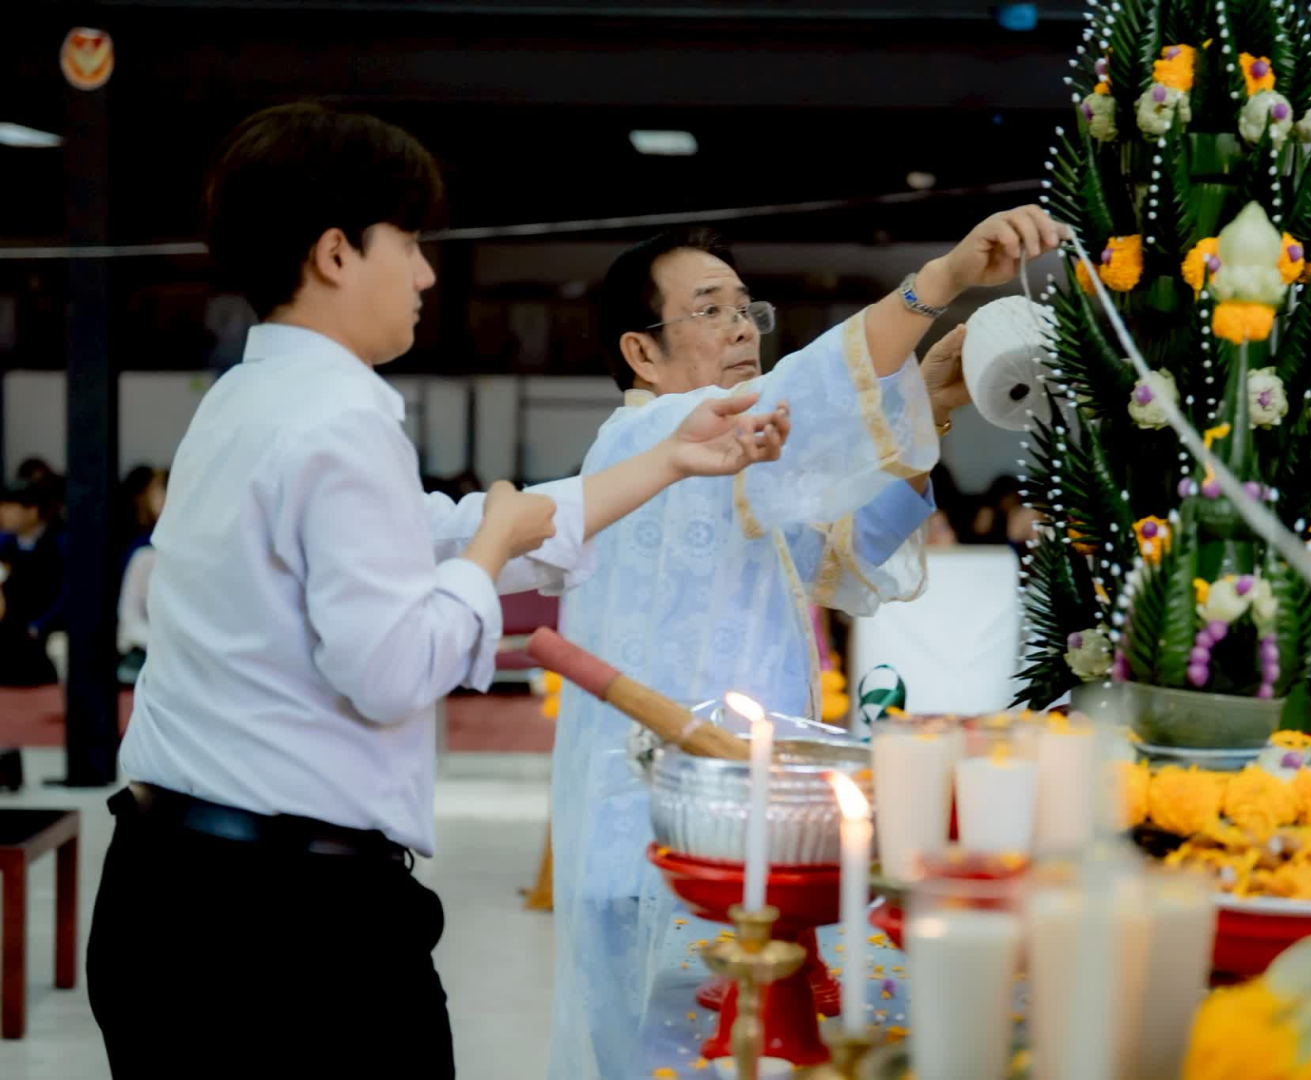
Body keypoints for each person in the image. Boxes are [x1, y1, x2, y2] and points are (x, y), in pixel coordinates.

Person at [85, 102, 790, 1080]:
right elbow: (392, 667)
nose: (425, 274)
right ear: (337, 253)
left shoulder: (248, 397)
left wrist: (669, 459)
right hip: (284, 927)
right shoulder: (338, 418)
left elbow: (440, 531)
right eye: (410, 242)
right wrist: (489, 547)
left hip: (177, 885)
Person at [550, 208, 1066, 1077]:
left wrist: (928, 405)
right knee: (667, 1055)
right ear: (641, 352)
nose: (741, 328)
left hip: (732, 825)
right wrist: (936, 283)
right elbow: (809, 394)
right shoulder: (645, 441)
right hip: (662, 839)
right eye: (709, 310)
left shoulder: (728, 463)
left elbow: (840, 556)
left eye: (745, 308)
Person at [0, 479, 67, 686]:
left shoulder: (58, 546)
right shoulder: (4, 545)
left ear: (32, 511)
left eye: (10, 508)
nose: (3, 514)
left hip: (42, 629)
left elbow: (65, 595)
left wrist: (39, 626)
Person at [114, 465, 167, 684]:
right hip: (147, 650)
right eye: (159, 494)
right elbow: (130, 618)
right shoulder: (143, 555)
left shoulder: (206, 554)